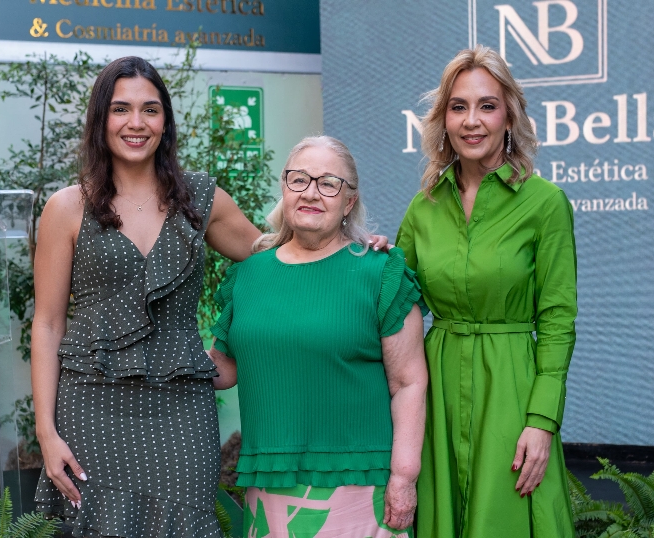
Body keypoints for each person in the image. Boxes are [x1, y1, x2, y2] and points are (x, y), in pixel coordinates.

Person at [31, 56, 387, 537]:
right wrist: (46, 432)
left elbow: (280, 255)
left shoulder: (201, 199)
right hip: (93, 408)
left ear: (166, 122)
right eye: (120, 109)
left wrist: (356, 248)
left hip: (182, 412)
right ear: (100, 119)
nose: (136, 123)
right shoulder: (67, 207)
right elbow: (48, 324)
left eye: (150, 110)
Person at [396, 45, 577, 537]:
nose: (472, 121)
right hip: (437, 389)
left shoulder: (546, 204)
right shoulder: (423, 207)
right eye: (459, 107)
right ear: (444, 120)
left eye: (487, 106)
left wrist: (542, 420)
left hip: (512, 390)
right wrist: (369, 258)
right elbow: (395, 301)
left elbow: (558, 320)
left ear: (509, 116)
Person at [207, 136, 428, 537]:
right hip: (270, 486)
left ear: (349, 201)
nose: (311, 192)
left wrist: (404, 476)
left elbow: (409, 383)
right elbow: (222, 371)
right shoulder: (249, 274)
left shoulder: (381, 272)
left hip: (362, 485)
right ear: (284, 187)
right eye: (299, 179)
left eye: (328, 183)